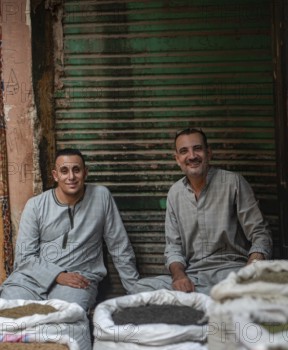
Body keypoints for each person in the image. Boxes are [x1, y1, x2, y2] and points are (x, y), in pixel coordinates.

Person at [133, 128, 272, 295]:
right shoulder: (175, 193)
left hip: (231, 273)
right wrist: (178, 276)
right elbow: (173, 248)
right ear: (177, 159)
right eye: (184, 151)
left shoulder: (232, 182)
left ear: (209, 153)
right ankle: (206, 301)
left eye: (197, 148)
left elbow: (260, 234)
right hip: (194, 278)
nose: (192, 156)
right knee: (140, 288)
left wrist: (249, 271)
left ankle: (203, 303)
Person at [0, 148, 139, 310]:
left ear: (85, 173)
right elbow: (24, 257)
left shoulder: (101, 197)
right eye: (64, 171)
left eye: (76, 170)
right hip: (31, 279)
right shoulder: (36, 205)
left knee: (66, 318)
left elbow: (119, 246)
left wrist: (135, 292)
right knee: (7, 310)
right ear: (55, 175)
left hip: (77, 278)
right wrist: (57, 275)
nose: (71, 177)